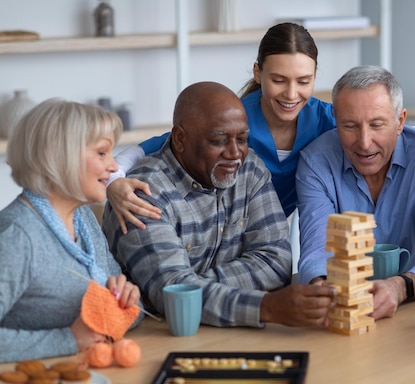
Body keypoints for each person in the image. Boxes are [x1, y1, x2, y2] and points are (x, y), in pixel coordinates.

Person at [105, 22, 415, 233]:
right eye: (278, 80)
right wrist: (113, 182)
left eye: (303, 81)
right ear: (258, 73)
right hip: (218, 232)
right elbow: (148, 147)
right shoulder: (232, 119)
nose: (292, 94)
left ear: (314, 78)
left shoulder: (327, 118)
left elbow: (402, 128)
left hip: (276, 236)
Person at [102, 81, 337, 328]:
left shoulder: (250, 169)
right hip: (159, 336)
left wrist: (192, 289)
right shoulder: (142, 193)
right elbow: (171, 294)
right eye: (219, 140)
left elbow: (276, 263)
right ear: (180, 139)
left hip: (228, 334)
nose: (235, 153)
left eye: (243, 139)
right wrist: (265, 307)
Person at [296, 65, 415, 320]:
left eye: (377, 125)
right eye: (350, 126)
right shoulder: (316, 162)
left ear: (400, 121)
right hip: (345, 310)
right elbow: (317, 251)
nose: (364, 142)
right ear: (336, 120)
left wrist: (399, 287)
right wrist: (323, 285)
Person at [0, 99, 142, 362]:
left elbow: (131, 314)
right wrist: (69, 339)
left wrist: (127, 300)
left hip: (87, 375)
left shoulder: (83, 218)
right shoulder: (16, 235)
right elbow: (79, 337)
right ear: (60, 156)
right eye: (102, 153)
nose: (114, 167)